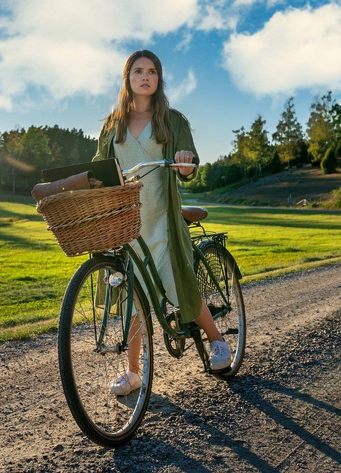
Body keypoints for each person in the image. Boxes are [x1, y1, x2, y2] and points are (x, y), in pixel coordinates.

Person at [92, 50, 231, 396]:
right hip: (127, 221)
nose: (145, 76)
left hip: (163, 217)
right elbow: (98, 166)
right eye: (138, 71)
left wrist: (186, 164)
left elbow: (188, 162)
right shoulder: (112, 124)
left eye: (151, 71)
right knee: (131, 298)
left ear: (158, 79)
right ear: (127, 78)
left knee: (180, 282)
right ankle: (133, 372)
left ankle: (217, 342)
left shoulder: (173, 120)